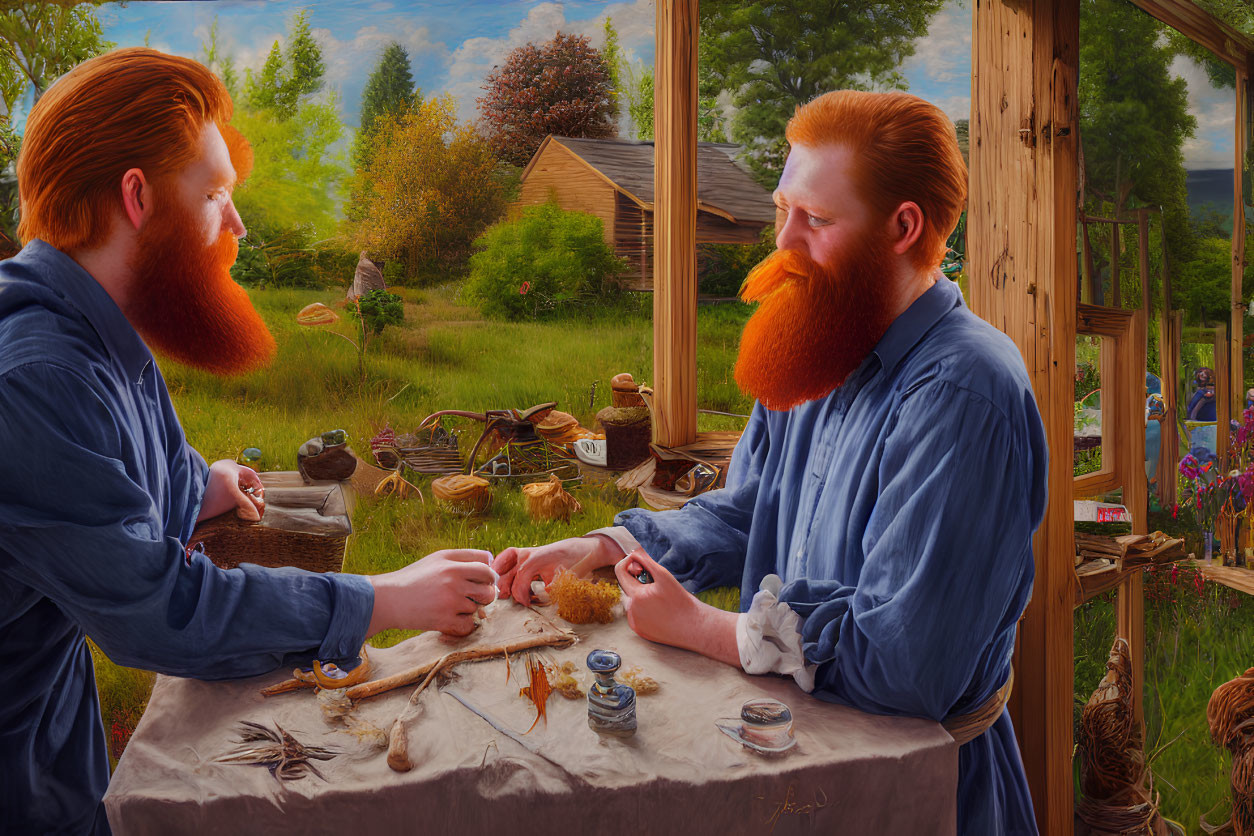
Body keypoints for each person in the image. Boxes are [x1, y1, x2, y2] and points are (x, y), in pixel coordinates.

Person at [495, 90, 1047, 835]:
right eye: (785, 208)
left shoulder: (963, 393)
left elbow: (906, 663)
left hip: (917, 791)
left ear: (903, 227)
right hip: (797, 755)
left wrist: (710, 632)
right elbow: (753, 508)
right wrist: (605, 549)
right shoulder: (823, 335)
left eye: (815, 220)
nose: (782, 243)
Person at [0, 49, 497, 835]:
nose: (234, 224)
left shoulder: (101, 336)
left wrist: (200, 485)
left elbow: (121, 490)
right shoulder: (36, 376)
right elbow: (158, 612)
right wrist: (382, 598)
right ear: (137, 197)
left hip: (45, 743)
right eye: (216, 193)